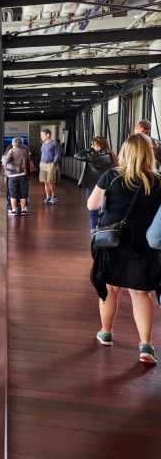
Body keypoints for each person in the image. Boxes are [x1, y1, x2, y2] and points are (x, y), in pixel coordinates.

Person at [88, 134, 161, 364]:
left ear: (124, 152)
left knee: (111, 289)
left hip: (114, 238)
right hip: (145, 241)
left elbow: (93, 205)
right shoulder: (158, 180)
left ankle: (106, 333)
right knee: (141, 292)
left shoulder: (111, 175)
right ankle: (146, 346)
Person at [75, 136, 118, 230]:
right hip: (108, 186)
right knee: (106, 210)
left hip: (93, 185)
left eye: (94, 145)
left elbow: (77, 155)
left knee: (93, 211)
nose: (92, 146)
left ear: (99, 145)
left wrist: (89, 149)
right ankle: (105, 230)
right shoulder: (111, 154)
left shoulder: (93, 155)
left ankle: (95, 231)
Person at [2, 136, 30, 215]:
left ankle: (14, 210)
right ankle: (24, 209)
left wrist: (3, 159)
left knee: (13, 192)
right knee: (23, 192)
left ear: (13, 143)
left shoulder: (11, 151)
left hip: (12, 175)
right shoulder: (24, 151)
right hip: (23, 174)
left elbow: (6, 160)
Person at [39, 129, 61, 204]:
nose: (41, 137)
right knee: (45, 181)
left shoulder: (55, 143)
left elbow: (58, 154)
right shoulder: (43, 143)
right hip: (43, 163)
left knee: (50, 181)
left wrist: (54, 163)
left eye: (42, 135)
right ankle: (48, 197)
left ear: (48, 135)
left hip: (50, 164)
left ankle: (53, 196)